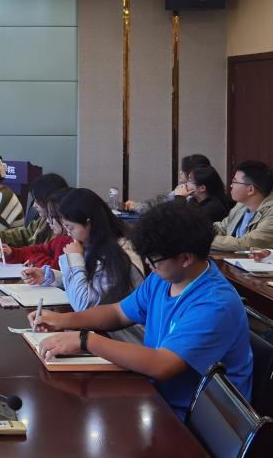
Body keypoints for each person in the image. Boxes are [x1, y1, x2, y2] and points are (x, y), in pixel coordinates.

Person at [33, 200, 253, 419]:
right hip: (157, 396)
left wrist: (85, 340)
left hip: (195, 420)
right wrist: (63, 320)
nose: (149, 265)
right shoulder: (165, 278)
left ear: (186, 258)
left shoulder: (215, 304)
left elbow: (162, 364)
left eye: (154, 260)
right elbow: (118, 312)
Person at [20, 188, 144, 339]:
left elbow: (83, 304)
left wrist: (74, 259)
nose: (68, 233)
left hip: (126, 339)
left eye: (71, 227)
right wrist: (50, 276)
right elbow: (90, 283)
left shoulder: (118, 256)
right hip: (107, 333)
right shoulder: (99, 245)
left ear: (89, 224)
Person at [212, 160, 273, 252]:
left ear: (250, 190)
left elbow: (245, 245)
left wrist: (205, 240)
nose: (231, 185)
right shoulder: (242, 205)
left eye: (235, 182)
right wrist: (200, 231)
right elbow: (222, 227)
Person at [0, 172, 69, 248]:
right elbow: (24, 234)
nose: (34, 206)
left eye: (37, 201)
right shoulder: (43, 220)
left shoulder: (64, 231)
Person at [0, 187, 73, 267]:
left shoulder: (73, 244)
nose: (48, 220)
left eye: (51, 216)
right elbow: (39, 249)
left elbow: (54, 268)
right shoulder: (61, 239)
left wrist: (33, 259)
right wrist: (12, 253)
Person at [125, 153, 211, 211]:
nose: (180, 172)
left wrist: (138, 207)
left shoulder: (197, 195)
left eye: (183, 170)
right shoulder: (182, 188)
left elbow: (169, 212)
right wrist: (138, 205)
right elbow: (162, 203)